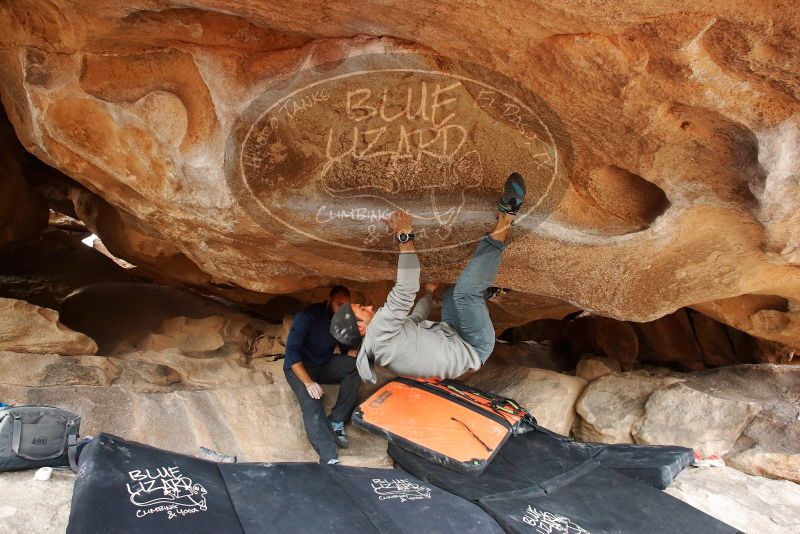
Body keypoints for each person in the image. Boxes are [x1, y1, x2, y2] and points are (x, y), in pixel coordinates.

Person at [330, 172, 527, 382]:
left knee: (451, 295)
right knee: (464, 294)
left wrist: (429, 293)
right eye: (362, 309)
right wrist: (404, 235)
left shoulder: (380, 345)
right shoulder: (377, 332)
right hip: (474, 346)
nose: (369, 307)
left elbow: (415, 319)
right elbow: (405, 289)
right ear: (361, 328)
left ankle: (489, 290)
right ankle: (507, 216)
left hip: (453, 333)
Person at [284, 286, 360, 465]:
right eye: (339, 304)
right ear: (329, 300)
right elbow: (291, 353)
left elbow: (343, 343)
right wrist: (309, 383)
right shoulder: (307, 316)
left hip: (323, 363)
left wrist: (349, 352)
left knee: (356, 367)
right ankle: (328, 456)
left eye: (346, 306)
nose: (342, 309)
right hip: (299, 367)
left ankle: (336, 419)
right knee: (313, 402)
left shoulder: (342, 319)